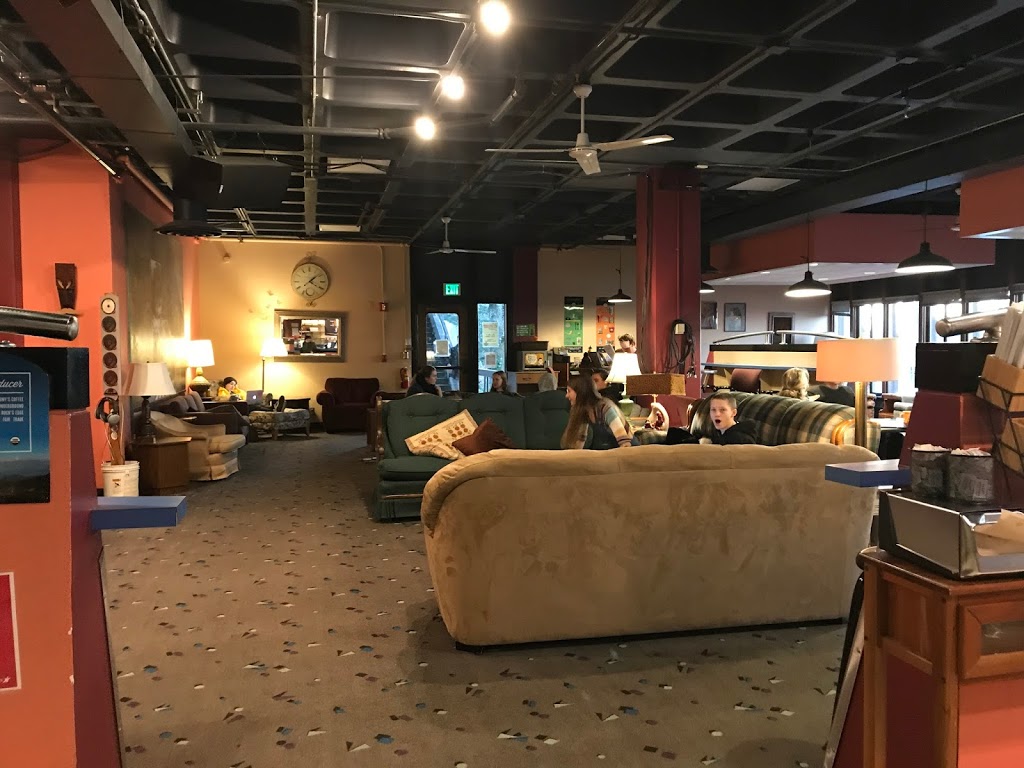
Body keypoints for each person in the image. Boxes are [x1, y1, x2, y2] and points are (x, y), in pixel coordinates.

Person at [560, 375, 632, 450]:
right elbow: (579, 440)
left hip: (628, 449)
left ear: (580, 392)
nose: (566, 395)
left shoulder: (604, 408)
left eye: (569, 391)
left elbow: (625, 443)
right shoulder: (582, 411)